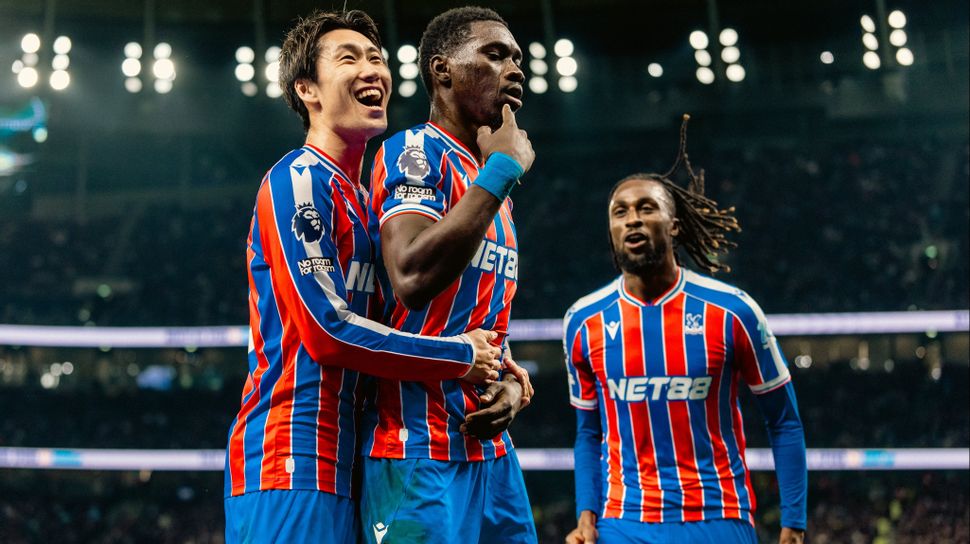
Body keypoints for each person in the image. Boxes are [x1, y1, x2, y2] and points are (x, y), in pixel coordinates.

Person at [222, 10, 505, 544]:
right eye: (348, 58)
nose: (372, 69)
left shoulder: (372, 205)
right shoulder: (299, 181)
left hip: (364, 461)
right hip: (294, 457)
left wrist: (505, 371)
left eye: (376, 58)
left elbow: (409, 319)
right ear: (307, 89)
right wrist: (460, 356)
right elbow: (327, 332)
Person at [564, 117, 807, 544]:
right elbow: (588, 431)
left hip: (718, 516)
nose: (633, 220)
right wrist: (586, 516)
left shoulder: (733, 311)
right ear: (611, 230)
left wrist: (795, 522)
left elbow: (784, 420)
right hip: (624, 521)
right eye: (620, 212)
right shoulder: (583, 321)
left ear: (673, 225)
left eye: (647, 208)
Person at [359, 6, 538, 544]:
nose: (516, 69)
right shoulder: (415, 152)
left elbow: (481, 321)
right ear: (442, 70)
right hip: (417, 454)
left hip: (491, 455)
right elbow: (411, 277)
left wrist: (510, 385)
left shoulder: (489, 184)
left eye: (517, 58)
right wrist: (503, 170)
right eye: (495, 54)